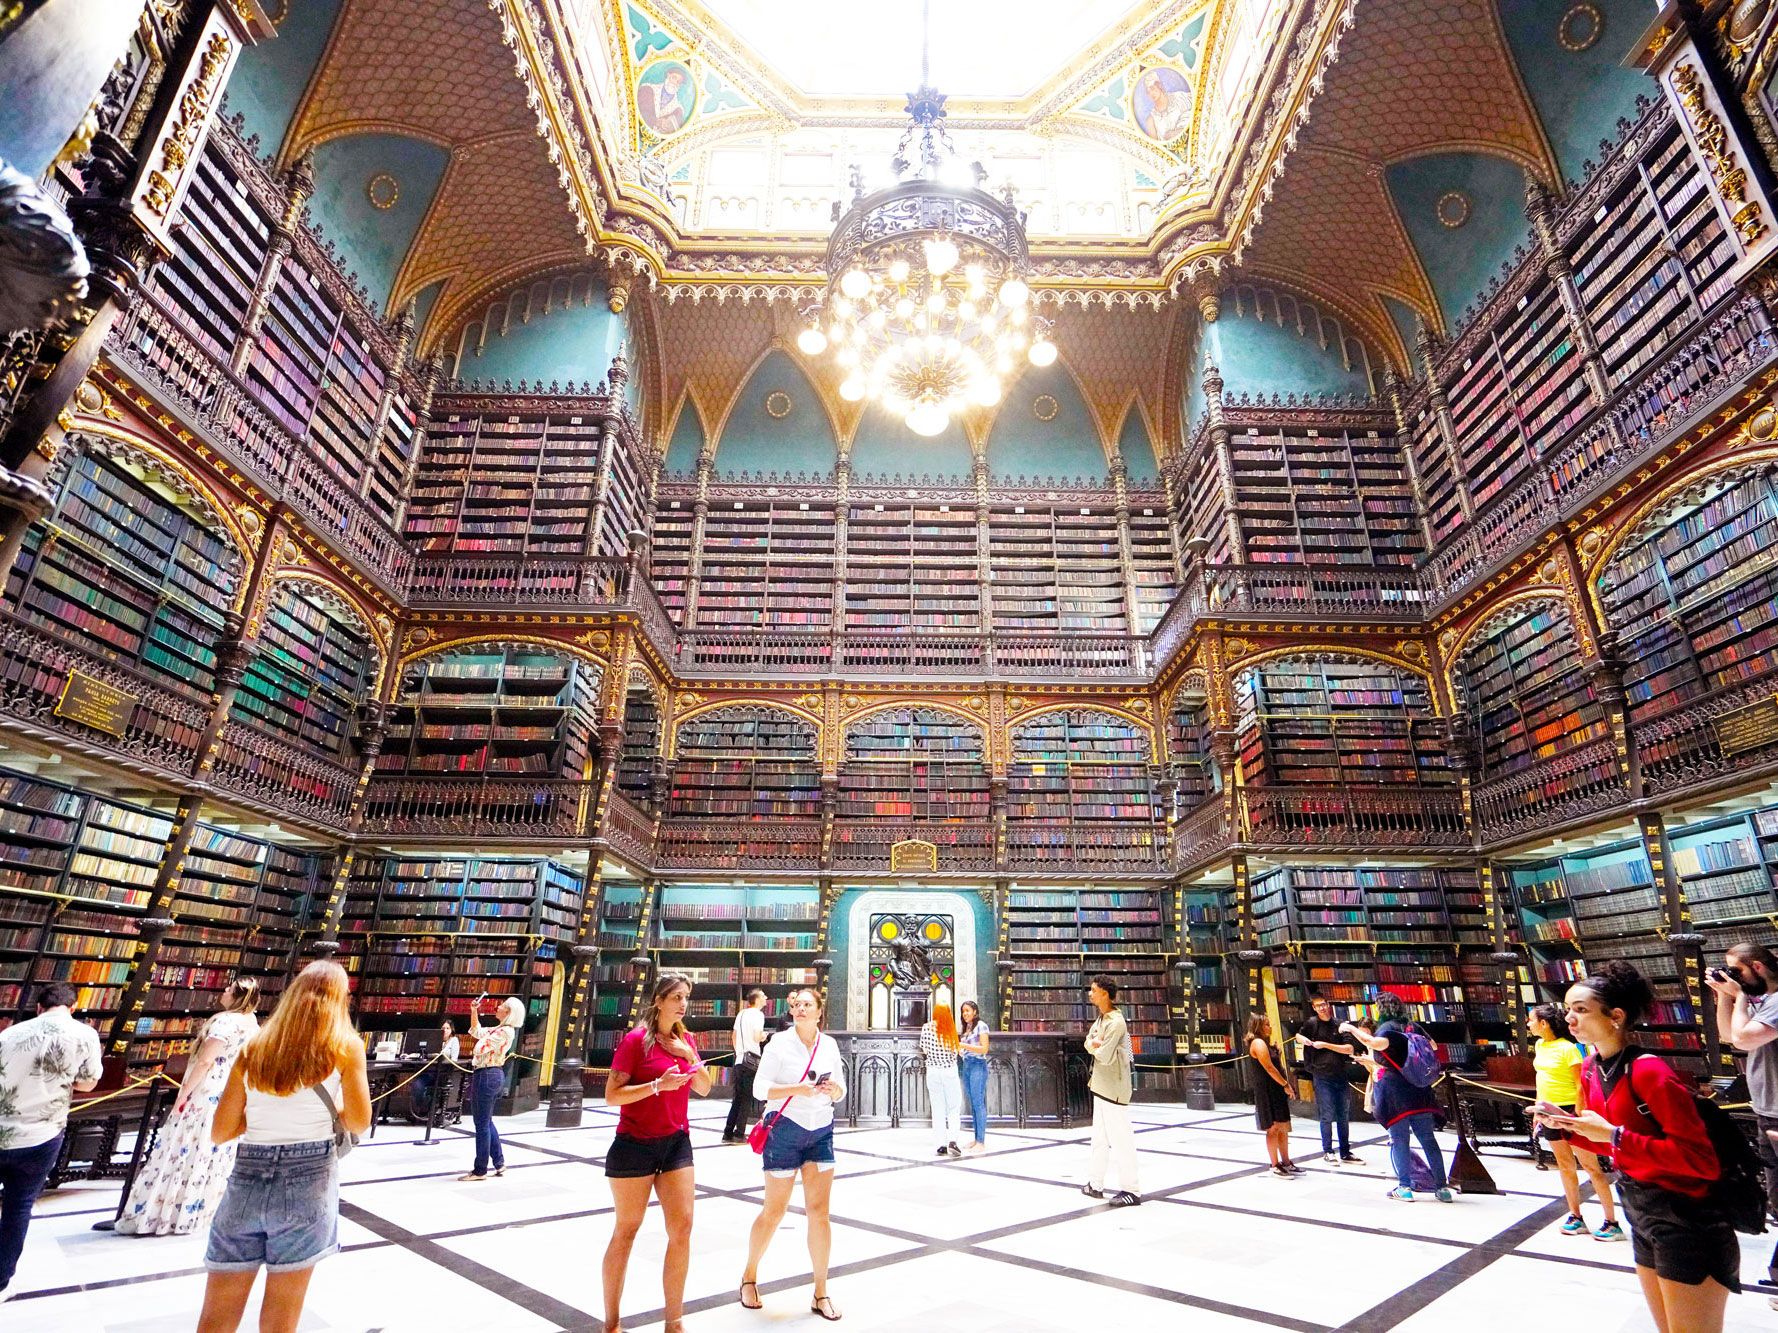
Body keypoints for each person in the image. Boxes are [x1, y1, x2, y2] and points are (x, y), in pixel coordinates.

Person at [1546, 960, 1735, 1333]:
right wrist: (1566, 1126)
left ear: (1615, 1016)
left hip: (1687, 1217)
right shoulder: (1591, 1067)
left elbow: (1701, 1161)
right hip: (1640, 1209)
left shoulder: (1649, 1070)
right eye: (1568, 1009)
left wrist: (1614, 1136)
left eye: (1581, 1010)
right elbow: (1613, 1141)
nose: (1570, 1019)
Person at [197, 961, 370, 1333]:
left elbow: (222, 1131)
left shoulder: (253, 1047)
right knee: (280, 1320)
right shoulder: (345, 1046)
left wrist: (264, 1115)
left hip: (247, 1176)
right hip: (308, 1178)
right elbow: (358, 1122)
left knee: (216, 1318)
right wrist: (327, 1111)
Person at [603, 973, 712, 1333]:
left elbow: (705, 1088)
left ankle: (674, 1322)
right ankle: (612, 1322)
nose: (683, 1004)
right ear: (659, 1000)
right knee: (627, 1230)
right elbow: (612, 1096)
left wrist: (688, 1054)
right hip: (634, 1144)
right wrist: (655, 1086)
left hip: (676, 1142)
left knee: (682, 1228)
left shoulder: (686, 1040)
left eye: (686, 997)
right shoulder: (636, 1041)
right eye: (676, 996)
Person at [115, 977, 261, 1236]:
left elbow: (205, 1061)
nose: (224, 991)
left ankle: (166, 1211)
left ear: (237, 996)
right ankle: (198, 1210)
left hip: (208, 1090)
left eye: (229, 989)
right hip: (232, 1090)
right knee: (213, 1149)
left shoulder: (226, 1021)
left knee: (185, 1144)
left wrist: (183, 1094)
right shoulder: (253, 1024)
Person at [740, 986, 845, 1321]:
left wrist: (833, 1089)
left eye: (807, 1005)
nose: (800, 1009)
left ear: (818, 1012)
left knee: (820, 1214)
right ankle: (749, 1276)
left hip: (820, 1131)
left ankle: (820, 1291)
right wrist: (796, 1090)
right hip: (785, 1130)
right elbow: (760, 1088)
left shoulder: (828, 1044)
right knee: (774, 1211)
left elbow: (840, 1090)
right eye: (796, 1005)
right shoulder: (779, 1043)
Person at [0, 982, 101, 1303]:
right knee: (18, 1208)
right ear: (73, 1008)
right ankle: (2, 1281)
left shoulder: (9, 1034)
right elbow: (88, 1083)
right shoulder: (84, 1035)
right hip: (42, 1134)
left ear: (39, 1007)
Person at [1342, 992, 1453, 1202]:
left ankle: (1404, 1187)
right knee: (1428, 1139)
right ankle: (1442, 1188)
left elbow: (1374, 1043)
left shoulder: (1387, 1029)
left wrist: (1350, 1028)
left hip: (1396, 1091)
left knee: (1400, 1140)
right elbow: (1434, 1046)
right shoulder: (1413, 1026)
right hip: (1420, 1090)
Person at [1707, 942, 1778, 1263]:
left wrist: (1738, 998)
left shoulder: (1776, 1002)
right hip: (1767, 1110)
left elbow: (1743, 1038)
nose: (1735, 976)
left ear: (1758, 968)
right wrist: (1726, 995)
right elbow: (1727, 1034)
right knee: (1776, 1196)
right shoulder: (1761, 1002)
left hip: (1777, 1113)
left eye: (1737, 970)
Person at [1528, 1002, 1622, 1241]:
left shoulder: (1568, 1049)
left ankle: (1611, 1221)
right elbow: (1541, 1079)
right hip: (1549, 1112)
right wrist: (1539, 1110)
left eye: (1531, 1020)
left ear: (1543, 1023)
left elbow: (1580, 1083)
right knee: (1565, 1166)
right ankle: (1575, 1216)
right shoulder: (1540, 1045)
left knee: (1591, 1167)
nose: (1528, 1024)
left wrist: (1578, 1114)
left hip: (1570, 1110)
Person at [1081, 974, 1140, 1207]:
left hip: (1114, 1089)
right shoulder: (1101, 1020)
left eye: (1094, 990)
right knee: (1099, 1139)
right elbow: (1088, 1042)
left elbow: (1104, 1055)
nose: (1090, 993)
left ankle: (1131, 1190)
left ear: (1105, 993)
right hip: (1100, 1086)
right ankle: (1095, 1184)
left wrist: (1096, 1045)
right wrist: (1095, 1043)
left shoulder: (1116, 1022)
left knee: (1121, 1140)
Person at [460, 993, 523, 1182]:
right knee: (486, 1121)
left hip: (487, 1074)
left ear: (509, 1012)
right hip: (490, 1075)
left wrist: (482, 1041)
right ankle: (499, 1162)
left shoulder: (505, 1032)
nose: (498, 1007)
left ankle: (480, 1170)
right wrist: (474, 1011)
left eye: (502, 1006)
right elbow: (475, 1031)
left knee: (481, 1124)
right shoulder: (499, 1029)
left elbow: (478, 1048)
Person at [1295, 994, 1361, 1164]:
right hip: (1321, 1075)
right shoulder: (1311, 1023)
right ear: (1314, 1008)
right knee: (1327, 1114)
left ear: (1328, 1005)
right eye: (1318, 1006)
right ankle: (1328, 1150)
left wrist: (1325, 1045)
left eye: (1324, 1004)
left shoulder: (1340, 1025)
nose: (1322, 1008)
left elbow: (1349, 1049)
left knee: (1343, 1115)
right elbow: (1298, 1036)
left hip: (1340, 1074)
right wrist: (1305, 1040)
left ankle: (1345, 1151)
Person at [1247, 1014, 1299, 1177]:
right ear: (1258, 1027)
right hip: (1267, 1090)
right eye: (1267, 1025)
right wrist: (1285, 1084)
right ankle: (1275, 1164)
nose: (1270, 1027)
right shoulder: (1258, 1043)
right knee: (1273, 1127)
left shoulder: (1266, 1043)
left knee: (1282, 1126)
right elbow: (1269, 1068)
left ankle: (1286, 1162)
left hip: (1276, 1088)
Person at [723, 988, 769, 1144]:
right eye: (763, 996)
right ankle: (739, 1134)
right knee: (746, 1099)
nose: (766, 998)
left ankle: (727, 1133)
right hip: (752, 1061)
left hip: (739, 1060)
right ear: (756, 999)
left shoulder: (741, 1013)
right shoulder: (758, 1015)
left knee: (737, 1098)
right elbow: (757, 1037)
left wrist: (739, 1052)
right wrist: (764, 1036)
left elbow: (734, 1036)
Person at [920, 1002, 964, 1158]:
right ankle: (953, 1140)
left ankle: (941, 1145)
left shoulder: (926, 1027)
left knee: (938, 1109)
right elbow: (956, 1051)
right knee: (953, 1107)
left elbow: (924, 1049)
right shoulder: (950, 1029)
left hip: (932, 1072)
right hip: (949, 1071)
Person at [958, 999, 990, 1154]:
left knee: (978, 1103)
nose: (965, 1014)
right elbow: (967, 1048)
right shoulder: (967, 1028)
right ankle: (976, 1139)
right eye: (963, 1011)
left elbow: (984, 1049)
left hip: (978, 1065)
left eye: (968, 1011)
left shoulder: (981, 1026)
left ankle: (981, 1141)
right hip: (967, 1065)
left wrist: (964, 1046)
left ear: (975, 1012)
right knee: (973, 1102)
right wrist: (961, 1051)